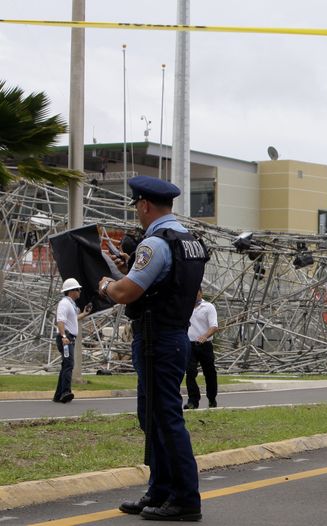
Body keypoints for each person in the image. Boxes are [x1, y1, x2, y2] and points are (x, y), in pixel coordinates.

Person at [99, 175, 207, 522]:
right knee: (154, 417)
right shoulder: (188, 241)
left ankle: (185, 498)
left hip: (157, 339)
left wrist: (106, 284)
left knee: (165, 418)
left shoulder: (155, 243)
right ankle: (160, 489)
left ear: (144, 205)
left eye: (137, 206)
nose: (137, 212)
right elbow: (193, 294)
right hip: (172, 335)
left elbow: (126, 293)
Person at [53, 278, 92, 403]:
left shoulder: (70, 304)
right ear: (71, 291)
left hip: (69, 338)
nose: (79, 291)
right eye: (77, 289)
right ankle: (65, 392)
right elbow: (60, 321)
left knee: (66, 365)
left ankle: (58, 395)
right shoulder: (64, 303)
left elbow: (73, 319)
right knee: (69, 365)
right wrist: (64, 337)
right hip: (66, 338)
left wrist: (84, 314)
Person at [184, 287, 219, 409]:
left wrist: (204, 336)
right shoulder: (185, 307)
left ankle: (212, 397)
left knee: (209, 372)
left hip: (205, 345)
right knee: (190, 372)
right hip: (189, 345)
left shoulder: (208, 307)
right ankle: (193, 400)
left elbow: (214, 326)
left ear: (201, 293)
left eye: (196, 292)